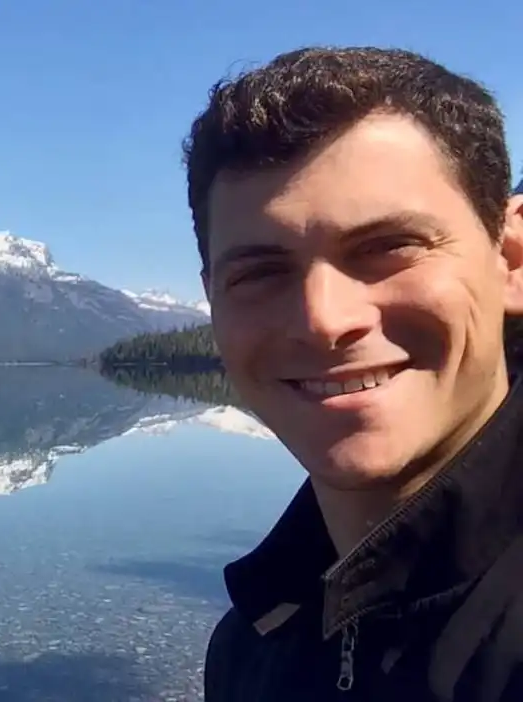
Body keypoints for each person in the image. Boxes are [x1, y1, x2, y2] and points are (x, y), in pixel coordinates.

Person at [186, 46, 523, 700]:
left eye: (388, 248)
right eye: (259, 272)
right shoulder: (252, 642)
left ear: (510, 258)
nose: (322, 320)